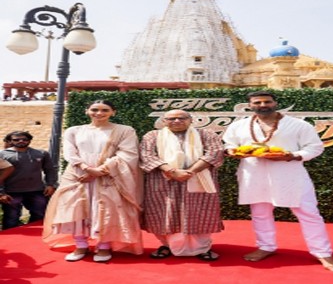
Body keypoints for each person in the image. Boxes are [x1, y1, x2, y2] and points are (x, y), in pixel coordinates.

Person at [222, 90, 333, 272]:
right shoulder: (238, 126)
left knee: (309, 214)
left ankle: (323, 253)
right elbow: (229, 143)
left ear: (275, 103)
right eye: (257, 102)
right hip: (253, 174)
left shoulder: (298, 125)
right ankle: (266, 246)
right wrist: (232, 151)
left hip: (290, 174)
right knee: (260, 213)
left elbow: (315, 147)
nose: (262, 105)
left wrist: (292, 156)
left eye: (267, 102)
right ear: (250, 105)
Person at [43, 100, 143, 263]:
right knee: (75, 209)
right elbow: (70, 153)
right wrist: (86, 168)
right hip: (77, 174)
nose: (99, 113)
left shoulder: (124, 130)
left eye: (105, 110)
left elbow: (128, 154)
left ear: (113, 112)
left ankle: (104, 245)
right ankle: (80, 245)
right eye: (95, 109)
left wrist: (100, 171)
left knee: (107, 209)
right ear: (87, 111)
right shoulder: (74, 131)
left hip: (109, 175)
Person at [140, 109, 224, 261]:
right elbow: (146, 156)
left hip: (199, 179)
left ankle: (203, 247)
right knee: (164, 213)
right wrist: (172, 171)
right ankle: (167, 245)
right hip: (163, 181)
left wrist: (190, 172)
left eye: (182, 118)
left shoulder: (207, 135)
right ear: (164, 121)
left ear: (191, 119)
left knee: (200, 213)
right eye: (171, 119)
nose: (177, 121)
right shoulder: (152, 136)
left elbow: (214, 153)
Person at [0, 131, 57, 229]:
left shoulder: (41, 153)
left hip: (37, 191)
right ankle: (11, 242)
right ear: (10, 141)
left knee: (40, 217)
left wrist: (50, 185)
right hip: (11, 192)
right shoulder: (2, 154)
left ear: (30, 140)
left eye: (24, 139)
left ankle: (36, 241)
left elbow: (50, 170)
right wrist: (1, 192)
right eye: (16, 140)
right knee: (11, 219)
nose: (21, 141)